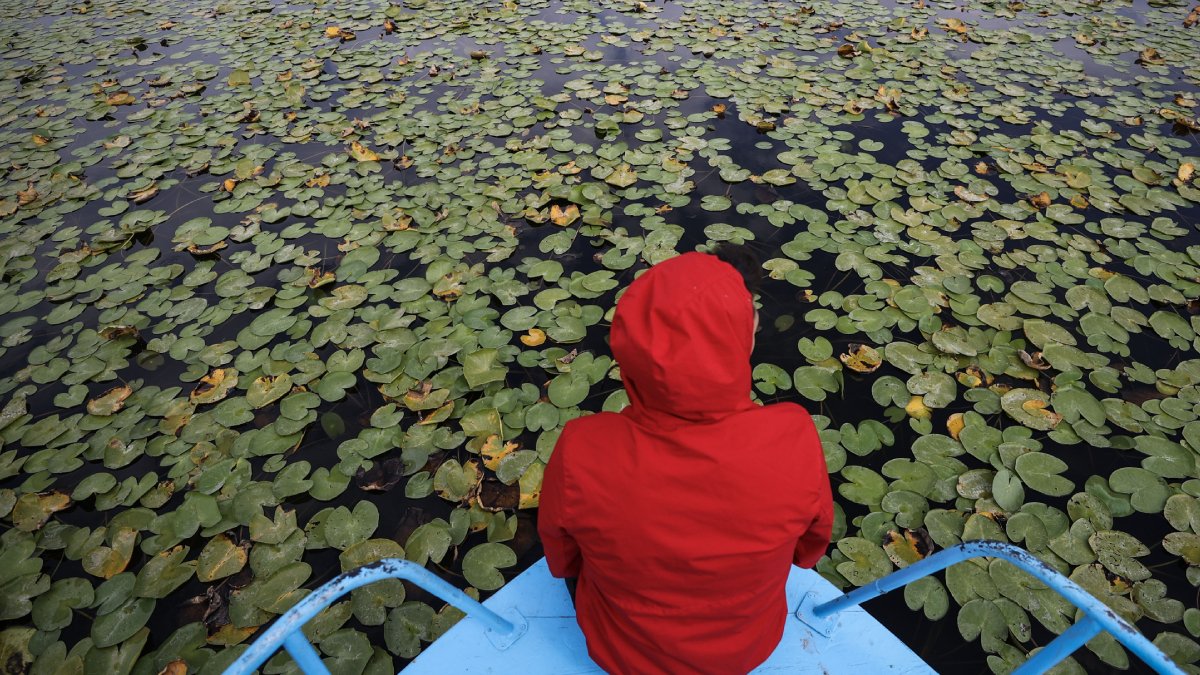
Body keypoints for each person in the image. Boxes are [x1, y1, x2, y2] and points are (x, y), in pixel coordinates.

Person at [538, 245, 834, 675]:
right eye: (750, 314)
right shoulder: (795, 435)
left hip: (622, 655)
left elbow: (563, 560)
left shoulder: (582, 446)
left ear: (628, 344)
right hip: (746, 650)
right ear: (743, 337)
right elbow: (809, 550)